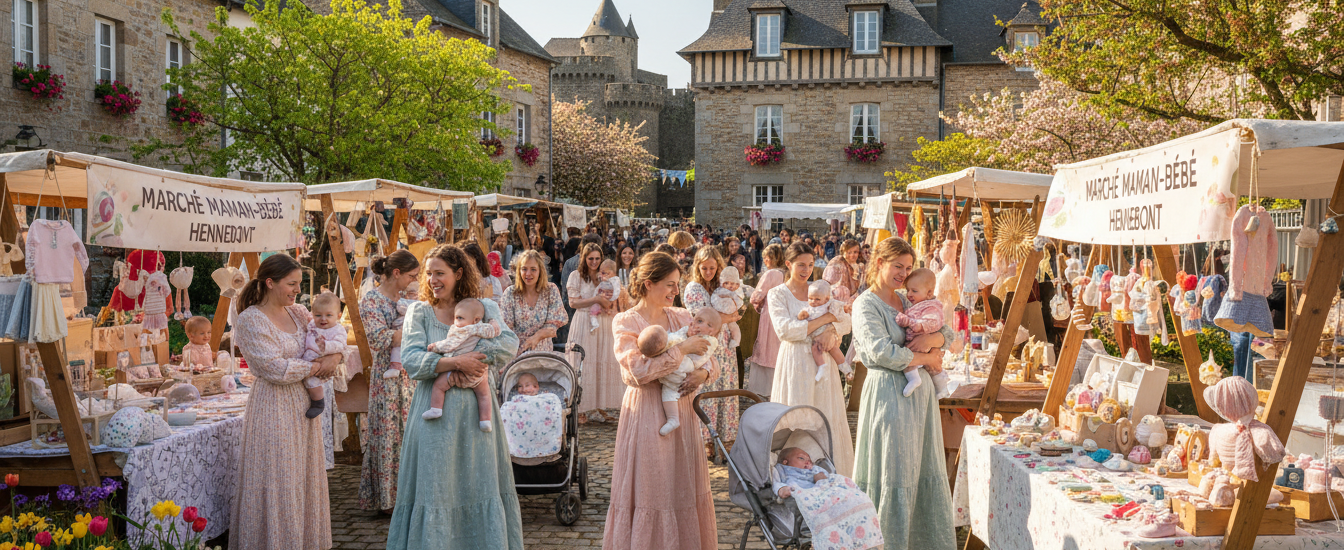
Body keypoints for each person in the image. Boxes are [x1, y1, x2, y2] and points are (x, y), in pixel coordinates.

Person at [386, 244, 522, 550]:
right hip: (435, 418)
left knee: (478, 484)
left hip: (476, 417)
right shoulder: (419, 312)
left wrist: (474, 358)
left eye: (440, 273)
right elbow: (412, 360)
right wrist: (455, 362)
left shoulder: (483, 307)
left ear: (458, 274)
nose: (432, 280)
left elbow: (507, 345)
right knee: (436, 486)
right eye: (428, 274)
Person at [604, 252, 717, 550]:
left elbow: (712, 359)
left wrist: (703, 373)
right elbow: (637, 372)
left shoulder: (681, 316)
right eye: (670, 284)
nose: (676, 291)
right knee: (651, 484)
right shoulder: (626, 321)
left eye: (677, 284)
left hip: (682, 409)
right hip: (646, 411)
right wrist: (682, 351)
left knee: (681, 484)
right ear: (648, 283)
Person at [851, 237, 956, 550]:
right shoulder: (866, 304)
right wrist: (926, 357)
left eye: (908, 268)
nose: (903, 273)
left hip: (919, 399)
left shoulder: (907, 300)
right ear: (880, 263)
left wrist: (933, 341)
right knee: (893, 470)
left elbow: (946, 332)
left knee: (921, 468)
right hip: (889, 394)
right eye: (898, 266)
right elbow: (880, 352)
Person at [230, 253, 339, 550]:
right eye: (291, 284)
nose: (297, 290)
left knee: (302, 475)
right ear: (270, 283)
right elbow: (273, 369)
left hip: (303, 403)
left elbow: (329, 335)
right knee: (278, 477)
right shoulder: (251, 319)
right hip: (274, 405)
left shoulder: (299, 313)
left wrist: (335, 356)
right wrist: (317, 366)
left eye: (298, 284)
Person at [767, 242, 854, 475]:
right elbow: (786, 330)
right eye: (801, 265)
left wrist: (831, 332)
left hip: (823, 360)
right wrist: (825, 320)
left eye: (810, 264)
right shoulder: (777, 294)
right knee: (796, 416)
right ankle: (792, 473)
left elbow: (845, 322)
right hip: (794, 362)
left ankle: (829, 473)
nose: (806, 270)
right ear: (788, 264)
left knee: (825, 414)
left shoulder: (820, 290)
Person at [359, 250, 420, 514]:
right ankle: (387, 500)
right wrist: (414, 329)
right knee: (388, 435)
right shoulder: (372, 300)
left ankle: (410, 497)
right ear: (396, 273)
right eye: (411, 276)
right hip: (387, 377)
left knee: (409, 434)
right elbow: (378, 339)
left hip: (412, 376)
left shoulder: (408, 298)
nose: (414, 280)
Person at [681, 246, 741, 452]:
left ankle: (726, 438)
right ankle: (705, 439)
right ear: (697, 267)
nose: (708, 272)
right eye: (704, 268)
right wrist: (726, 317)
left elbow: (737, 309)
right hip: (705, 344)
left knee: (726, 388)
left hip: (725, 345)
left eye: (712, 268)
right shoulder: (694, 288)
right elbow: (704, 319)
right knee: (706, 388)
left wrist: (727, 317)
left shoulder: (723, 286)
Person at [637, 306, 721, 436]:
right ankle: (673, 419)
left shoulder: (710, 340)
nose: (695, 324)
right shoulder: (629, 319)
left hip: (684, 370)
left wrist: (704, 373)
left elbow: (708, 360)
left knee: (669, 344)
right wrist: (686, 338)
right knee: (669, 392)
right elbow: (637, 370)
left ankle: (656, 350)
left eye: (702, 322)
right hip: (659, 388)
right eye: (698, 320)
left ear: (711, 330)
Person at [421, 298, 502, 429]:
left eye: (460, 318)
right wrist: (493, 323)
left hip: (458, 372)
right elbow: (495, 331)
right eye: (455, 318)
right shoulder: (482, 328)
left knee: (439, 386)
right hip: (478, 374)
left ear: (475, 320)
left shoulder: (463, 330)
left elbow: (449, 345)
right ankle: (485, 421)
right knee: (484, 395)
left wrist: (435, 346)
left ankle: (436, 408)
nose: (456, 322)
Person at [568, 242, 621, 421]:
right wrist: (595, 299)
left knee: (601, 364)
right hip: (583, 320)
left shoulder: (605, 275)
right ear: (584, 258)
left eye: (597, 258)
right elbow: (573, 303)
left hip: (603, 322)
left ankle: (599, 406)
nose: (594, 262)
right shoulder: (576, 276)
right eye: (591, 258)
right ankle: (581, 408)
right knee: (584, 364)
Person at [894, 268, 950, 398]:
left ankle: (938, 386)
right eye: (908, 290)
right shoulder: (915, 303)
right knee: (929, 366)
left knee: (929, 367)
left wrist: (915, 325)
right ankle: (938, 386)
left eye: (914, 291)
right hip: (917, 344)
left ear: (929, 293)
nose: (909, 294)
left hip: (921, 343)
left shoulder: (931, 306)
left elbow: (937, 325)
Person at [499, 250, 568, 354]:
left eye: (533, 269)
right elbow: (506, 328)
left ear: (540, 271)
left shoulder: (550, 290)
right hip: (517, 353)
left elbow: (553, 327)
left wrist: (537, 337)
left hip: (542, 354)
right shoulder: (510, 293)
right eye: (524, 269)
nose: (528, 273)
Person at [300, 292, 349, 418]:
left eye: (328, 315)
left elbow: (341, 345)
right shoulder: (312, 324)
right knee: (307, 381)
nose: (323, 319)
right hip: (307, 360)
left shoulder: (338, 330)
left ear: (338, 316)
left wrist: (326, 346)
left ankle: (318, 403)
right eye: (318, 315)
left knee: (313, 382)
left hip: (321, 361)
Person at [745, 244, 786, 397]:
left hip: (769, 314)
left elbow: (757, 296)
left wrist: (755, 303)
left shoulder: (770, 274)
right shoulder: (787, 274)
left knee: (766, 348)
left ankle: (763, 388)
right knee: (777, 349)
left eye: (766, 258)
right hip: (784, 314)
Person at [800, 280, 847, 381]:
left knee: (834, 349)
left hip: (826, 333)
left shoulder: (829, 306)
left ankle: (845, 367)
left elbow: (841, 316)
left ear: (826, 299)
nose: (813, 301)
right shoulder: (809, 308)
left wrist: (831, 330)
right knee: (815, 349)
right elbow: (803, 314)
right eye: (810, 299)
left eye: (817, 299)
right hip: (814, 336)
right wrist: (803, 315)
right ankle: (822, 367)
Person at [589, 259, 622, 332]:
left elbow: (617, 292)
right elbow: (598, 289)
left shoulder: (615, 281)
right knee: (594, 310)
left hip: (612, 311)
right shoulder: (603, 282)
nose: (602, 275)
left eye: (604, 273)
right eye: (601, 273)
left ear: (613, 273)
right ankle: (594, 322)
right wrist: (596, 296)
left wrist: (612, 298)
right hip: (603, 310)